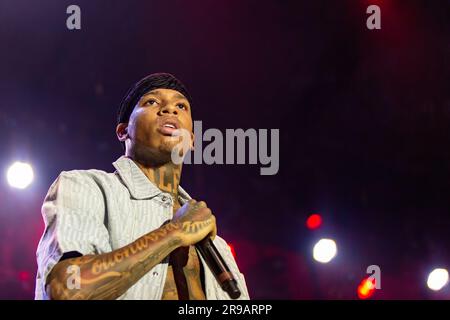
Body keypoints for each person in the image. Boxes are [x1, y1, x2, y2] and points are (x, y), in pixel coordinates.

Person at [35, 73, 250, 300]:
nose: (170, 109)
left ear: (193, 140)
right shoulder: (87, 187)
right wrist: (173, 232)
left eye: (181, 106)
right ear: (123, 131)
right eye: (152, 102)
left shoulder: (219, 247)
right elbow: (66, 290)